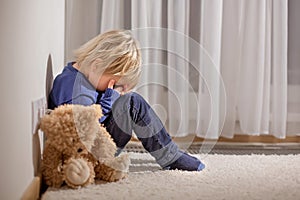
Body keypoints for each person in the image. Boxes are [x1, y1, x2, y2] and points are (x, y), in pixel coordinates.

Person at [48, 30, 205, 171]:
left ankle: (170, 151)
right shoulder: (74, 86)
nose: (117, 89)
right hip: (86, 154)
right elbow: (86, 127)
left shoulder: (85, 80)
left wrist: (112, 96)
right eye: (115, 84)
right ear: (97, 66)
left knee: (130, 101)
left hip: (99, 145)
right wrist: (111, 98)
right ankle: (170, 155)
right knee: (132, 102)